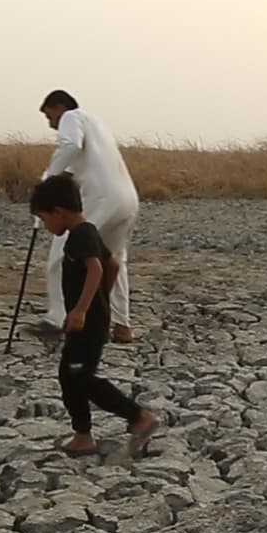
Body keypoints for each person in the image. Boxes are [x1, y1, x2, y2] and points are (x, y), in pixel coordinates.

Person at [29, 172, 157, 457]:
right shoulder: (89, 232)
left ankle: (139, 417)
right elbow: (112, 265)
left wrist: (82, 309)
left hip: (86, 323)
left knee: (82, 377)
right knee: (69, 375)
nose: (46, 227)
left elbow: (96, 268)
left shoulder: (80, 236)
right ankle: (82, 435)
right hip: (90, 321)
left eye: (44, 219)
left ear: (59, 212)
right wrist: (102, 301)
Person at [34, 89, 140, 343]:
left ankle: (58, 320)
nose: (51, 125)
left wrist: (47, 178)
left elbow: (70, 145)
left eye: (50, 117)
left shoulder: (72, 117)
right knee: (113, 258)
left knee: (63, 252)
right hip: (127, 199)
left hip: (102, 199)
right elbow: (71, 171)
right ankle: (122, 325)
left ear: (60, 108)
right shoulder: (97, 127)